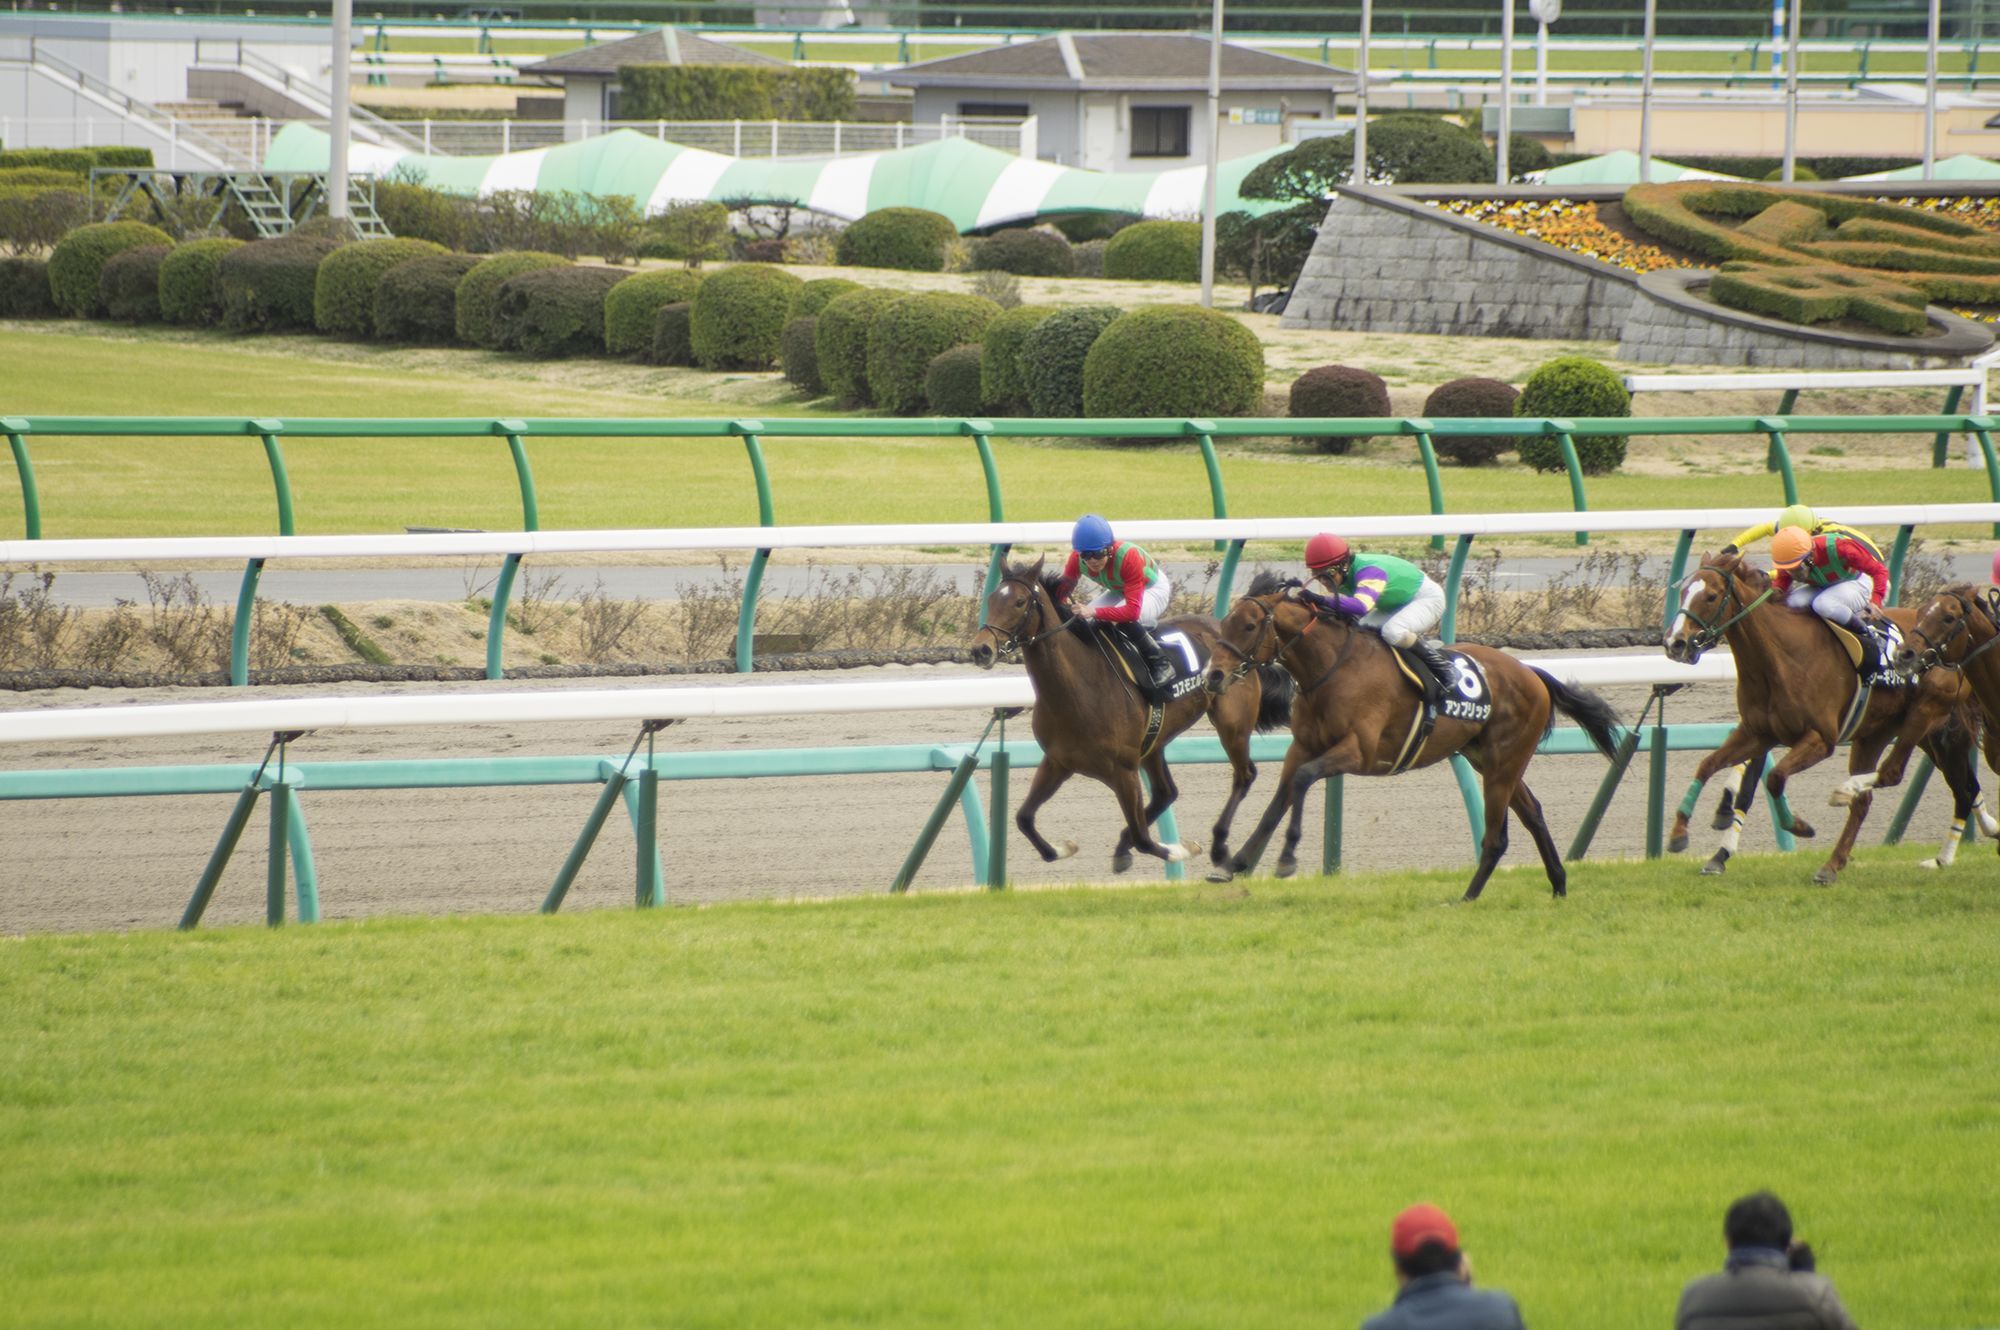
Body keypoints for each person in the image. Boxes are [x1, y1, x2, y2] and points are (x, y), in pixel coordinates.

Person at [1297, 533, 1456, 696]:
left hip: (1426, 598)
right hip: (1395, 602)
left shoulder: (1369, 571)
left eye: (1328, 572)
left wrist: (1320, 599)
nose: (1322, 580)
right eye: (1316, 574)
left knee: (1392, 632)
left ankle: (1443, 668)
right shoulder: (1344, 572)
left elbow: (1360, 606)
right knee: (1358, 632)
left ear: (1344, 564)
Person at [1675, 1191, 1858, 1330]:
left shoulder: (1694, 1298)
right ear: (1788, 1245)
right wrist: (1805, 1276)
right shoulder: (1817, 1295)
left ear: (1727, 1242)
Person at [1053, 513, 1176, 688]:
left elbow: (1131, 612)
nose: (1092, 561)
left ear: (1109, 548)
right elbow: (1062, 590)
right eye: (1085, 555)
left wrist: (1094, 611)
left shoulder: (1129, 557)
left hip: (1153, 589)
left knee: (1121, 619)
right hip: (1120, 589)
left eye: (1097, 553)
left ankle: (1161, 663)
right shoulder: (1076, 559)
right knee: (1085, 621)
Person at [1360, 1203, 1526, 1330]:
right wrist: (1467, 1287)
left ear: (1398, 1269)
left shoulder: (1381, 1327)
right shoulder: (1500, 1312)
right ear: (1461, 1262)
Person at [1769, 525, 1889, 632]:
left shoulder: (1841, 548)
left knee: (1823, 604)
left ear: (1810, 554)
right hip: (1824, 586)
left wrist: (1876, 601)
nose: (1793, 573)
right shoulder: (1787, 561)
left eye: (1797, 567)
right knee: (1792, 603)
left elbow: (1879, 571)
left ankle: (1867, 632)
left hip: (1856, 583)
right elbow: (1781, 582)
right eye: (1789, 569)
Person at [1725, 503, 1883, 562]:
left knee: (1824, 608)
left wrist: (1766, 575)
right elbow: (1766, 528)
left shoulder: (1825, 541)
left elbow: (1797, 569)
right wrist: (1735, 544)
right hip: (1851, 573)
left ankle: (1868, 635)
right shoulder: (1808, 524)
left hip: (1871, 580)